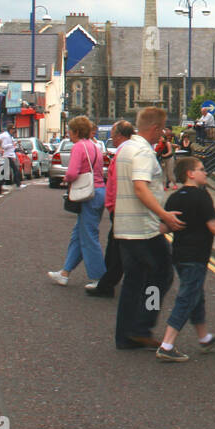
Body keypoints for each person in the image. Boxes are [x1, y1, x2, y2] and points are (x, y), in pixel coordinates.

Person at [155, 156, 215, 362]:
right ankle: (167, 344)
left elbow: (166, 226)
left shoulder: (175, 197)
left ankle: (204, 337)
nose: (205, 172)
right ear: (190, 174)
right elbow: (214, 226)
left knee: (196, 294)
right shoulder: (202, 197)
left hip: (179, 255)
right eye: (202, 169)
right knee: (187, 296)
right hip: (196, 256)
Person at [113, 106, 185, 350]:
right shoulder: (143, 152)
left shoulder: (125, 149)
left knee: (133, 281)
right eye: (162, 129)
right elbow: (141, 188)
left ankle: (125, 335)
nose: (163, 134)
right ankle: (143, 326)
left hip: (125, 227)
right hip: (144, 229)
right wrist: (164, 215)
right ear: (154, 128)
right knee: (162, 275)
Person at [47, 116, 107, 287]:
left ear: (76, 132)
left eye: (70, 131)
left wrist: (66, 179)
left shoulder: (79, 147)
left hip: (87, 193)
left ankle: (99, 277)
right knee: (79, 235)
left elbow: (73, 172)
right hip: (99, 190)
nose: (68, 134)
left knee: (89, 236)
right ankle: (65, 273)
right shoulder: (94, 146)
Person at [86, 119, 135, 298]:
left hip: (121, 207)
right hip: (120, 206)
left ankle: (107, 285)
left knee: (120, 249)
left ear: (120, 136)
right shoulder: (126, 150)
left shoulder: (124, 152)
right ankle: (106, 283)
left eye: (113, 135)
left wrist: (113, 205)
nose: (112, 139)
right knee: (116, 247)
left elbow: (119, 181)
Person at [0, 121, 21, 187]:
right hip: (7, 155)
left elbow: (12, 146)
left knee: (6, 170)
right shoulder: (6, 136)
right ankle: (18, 183)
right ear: (10, 129)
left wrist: (15, 144)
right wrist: (13, 144)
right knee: (15, 169)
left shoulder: (10, 136)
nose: (14, 131)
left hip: (10, 155)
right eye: (13, 129)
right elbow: (4, 146)